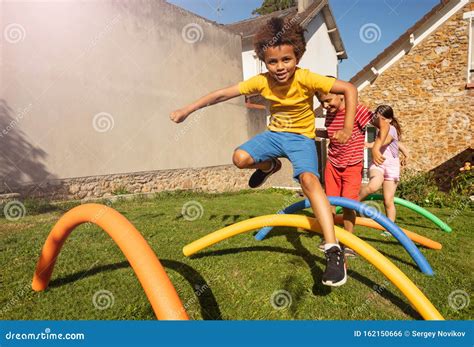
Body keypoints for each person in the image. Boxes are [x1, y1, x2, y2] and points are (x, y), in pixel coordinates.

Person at [170, 17, 359, 286]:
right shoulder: (261, 82)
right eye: (273, 62)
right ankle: (269, 166)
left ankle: (333, 250)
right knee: (240, 158)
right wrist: (187, 110)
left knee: (309, 181)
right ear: (264, 61)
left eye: (286, 60)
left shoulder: (307, 78)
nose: (280, 67)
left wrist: (348, 126)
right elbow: (222, 94)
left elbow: (348, 89)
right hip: (273, 136)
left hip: (300, 140)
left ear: (298, 57)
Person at [317, 91, 388, 256]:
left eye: (328, 101)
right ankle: (330, 239)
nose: (325, 106)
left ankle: (348, 241)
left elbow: (384, 125)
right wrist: (312, 132)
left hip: (352, 165)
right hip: (333, 164)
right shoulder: (329, 114)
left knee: (349, 205)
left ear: (341, 95)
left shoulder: (357, 110)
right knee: (329, 204)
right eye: (322, 103)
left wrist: (376, 148)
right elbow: (331, 135)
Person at [359, 105, 409, 225]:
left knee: (388, 201)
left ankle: (390, 227)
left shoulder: (391, 129)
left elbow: (385, 141)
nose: (380, 121)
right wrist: (407, 154)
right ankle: (354, 202)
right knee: (373, 186)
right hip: (378, 164)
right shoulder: (379, 128)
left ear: (390, 119)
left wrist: (370, 145)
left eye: (383, 119)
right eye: (378, 118)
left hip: (392, 167)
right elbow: (399, 145)